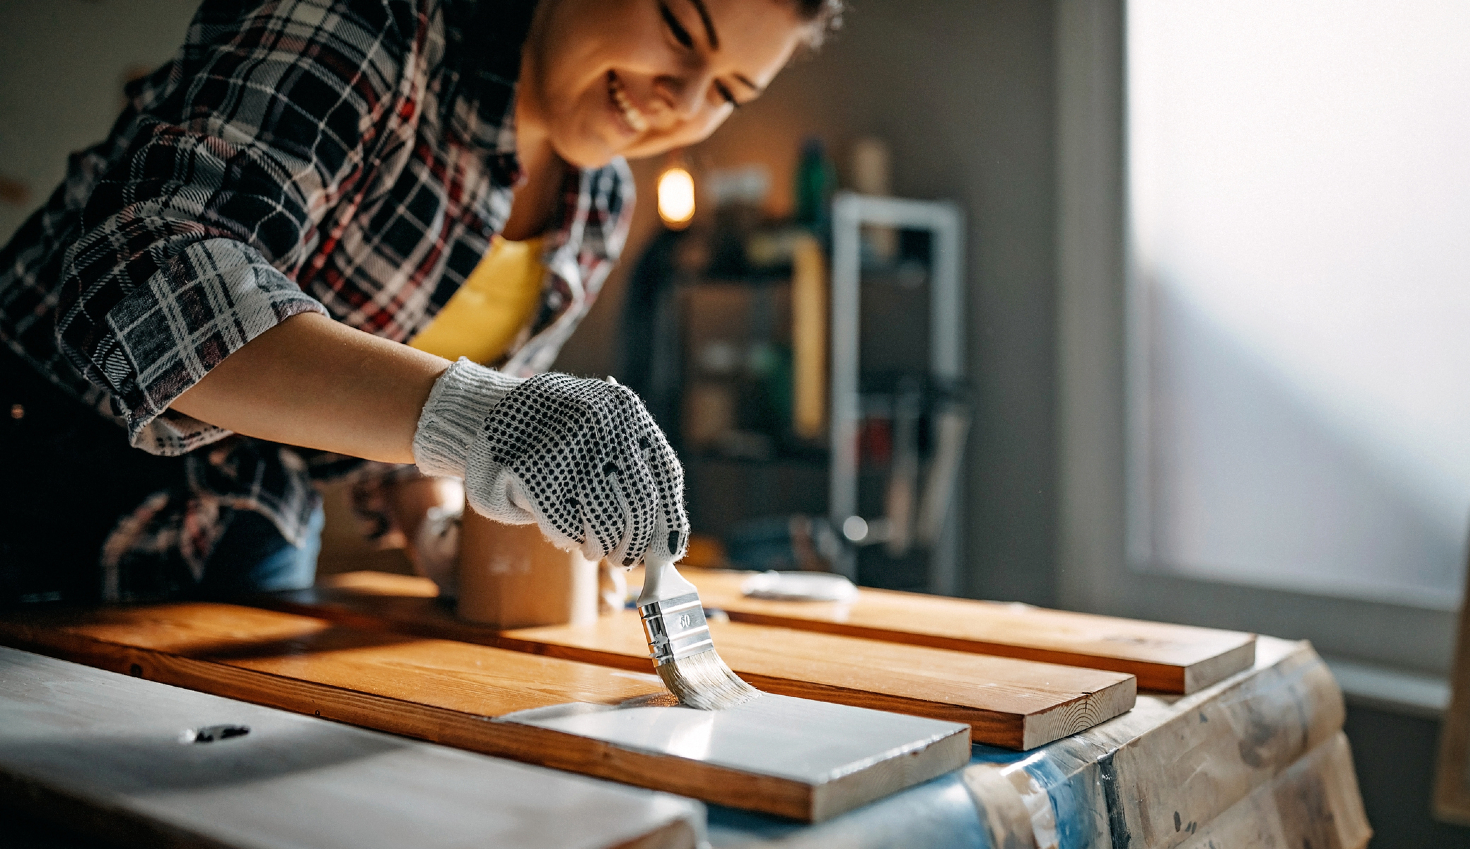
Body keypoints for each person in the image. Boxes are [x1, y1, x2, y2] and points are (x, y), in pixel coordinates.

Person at [0, 0, 840, 604]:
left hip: (248, 534)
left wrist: (438, 528)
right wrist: (489, 420)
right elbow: (143, 280)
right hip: (38, 465)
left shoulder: (598, 212)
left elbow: (400, 435)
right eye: (680, 28)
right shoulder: (377, 26)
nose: (684, 101)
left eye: (728, 90)